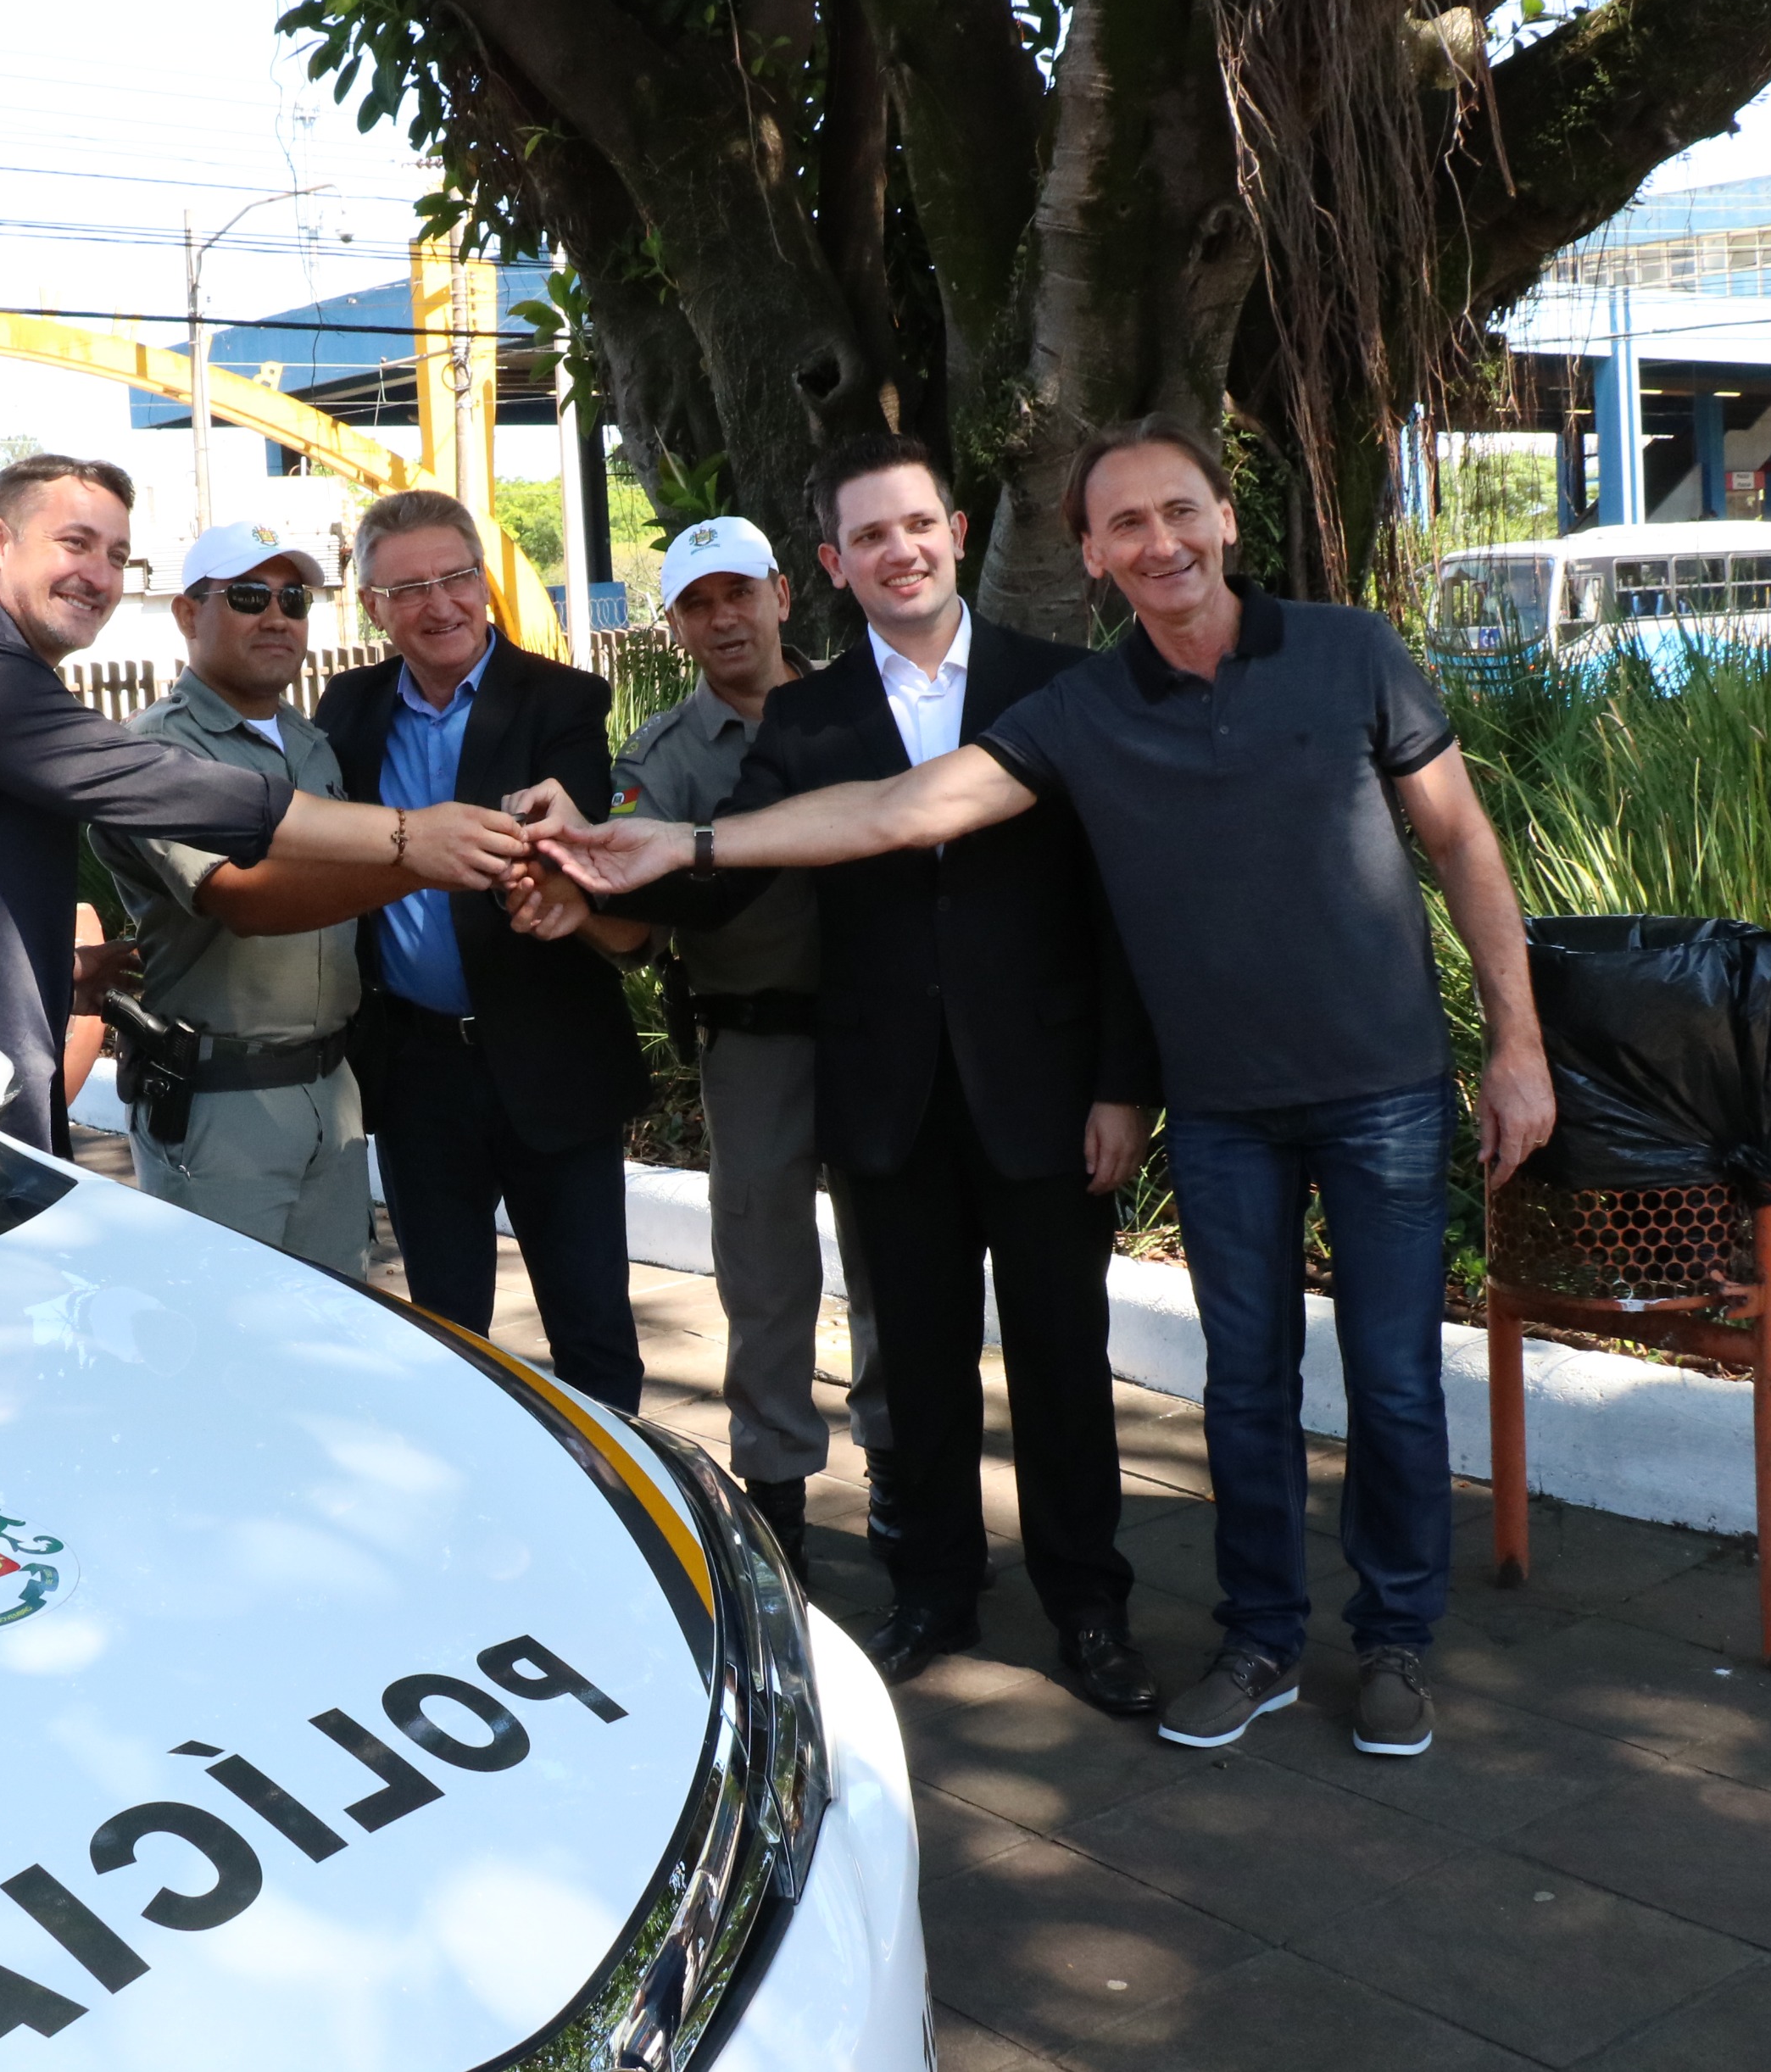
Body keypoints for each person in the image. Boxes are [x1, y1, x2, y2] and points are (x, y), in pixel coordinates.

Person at [535, 416, 1557, 1761]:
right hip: (1192, 1107)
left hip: (1359, 1089)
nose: (1159, 542)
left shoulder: (1323, 653)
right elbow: (898, 811)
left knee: (1390, 1381)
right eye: (1125, 523)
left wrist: (1515, 1042)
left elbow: (1454, 840)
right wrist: (669, 850)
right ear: (1086, 551)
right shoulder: (1075, 706)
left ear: (1224, 517)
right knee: (1239, 1387)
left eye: (1179, 511)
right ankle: (1250, 1636)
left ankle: (1386, 1642)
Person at [527, 441, 1166, 1708]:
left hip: (1043, 1090)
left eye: (916, 524)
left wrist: (1122, 1084)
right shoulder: (808, 722)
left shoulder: (1061, 683)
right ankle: (933, 1590)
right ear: (832, 562)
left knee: (1061, 1355)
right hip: (886, 1092)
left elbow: (1120, 904)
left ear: (958, 530)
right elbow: (732, 870)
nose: (899, 550)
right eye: (869, 535)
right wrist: (609, 867)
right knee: (915, 1359)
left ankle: (1088, 1606)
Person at [0, 454, 529, 1151]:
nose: (98, 575)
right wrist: (410, 839)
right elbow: (168, 788)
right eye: (75, 543)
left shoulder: (2, 674)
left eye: (116, 555)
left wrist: (58, 969)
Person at [554, 516, 890, 1591]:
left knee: (895, 1266)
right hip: (751, 1037)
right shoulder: (659, 759)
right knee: (765, 1277)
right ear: (675, 625)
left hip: (880, 1032)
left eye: (738, 592)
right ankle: (777, 1505)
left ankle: (906, 1494)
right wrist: (576, 893)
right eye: (696, 604)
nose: (722, 619)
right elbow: (636, 920)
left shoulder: (865, 707)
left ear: (781, 595)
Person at [314, 489, 649, 1412]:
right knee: (446, 1335)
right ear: (374, 607)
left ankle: (617, 1493)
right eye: (408, 589)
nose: (439, 604)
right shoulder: (347, 708)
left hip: (549, 1056)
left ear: (485, 580)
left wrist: (555, 883)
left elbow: (576, 834)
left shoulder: (561, 699)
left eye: (456, 577)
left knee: (591, 1329)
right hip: (417, 1066)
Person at [93, 521, 409, 1271]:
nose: (276, 616)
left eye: (293, 599)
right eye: (247, 596)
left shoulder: (311, 743)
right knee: (224, 1326)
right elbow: (243, 900)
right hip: (222, 1104)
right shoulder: (157, 753)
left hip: (331, 1091)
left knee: (335, 1323)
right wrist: (423, 857)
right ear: (187, 613)